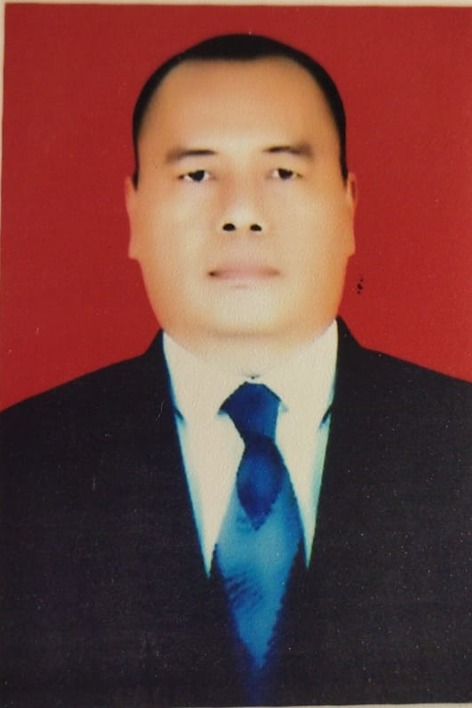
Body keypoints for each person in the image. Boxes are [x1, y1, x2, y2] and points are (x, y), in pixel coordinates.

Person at [1, 33, 471, 708]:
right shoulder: (20, 467)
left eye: (283, 172)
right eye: (197, 175)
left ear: (348, 207)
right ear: (134, 214)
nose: (242, 214)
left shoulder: (459, 444)